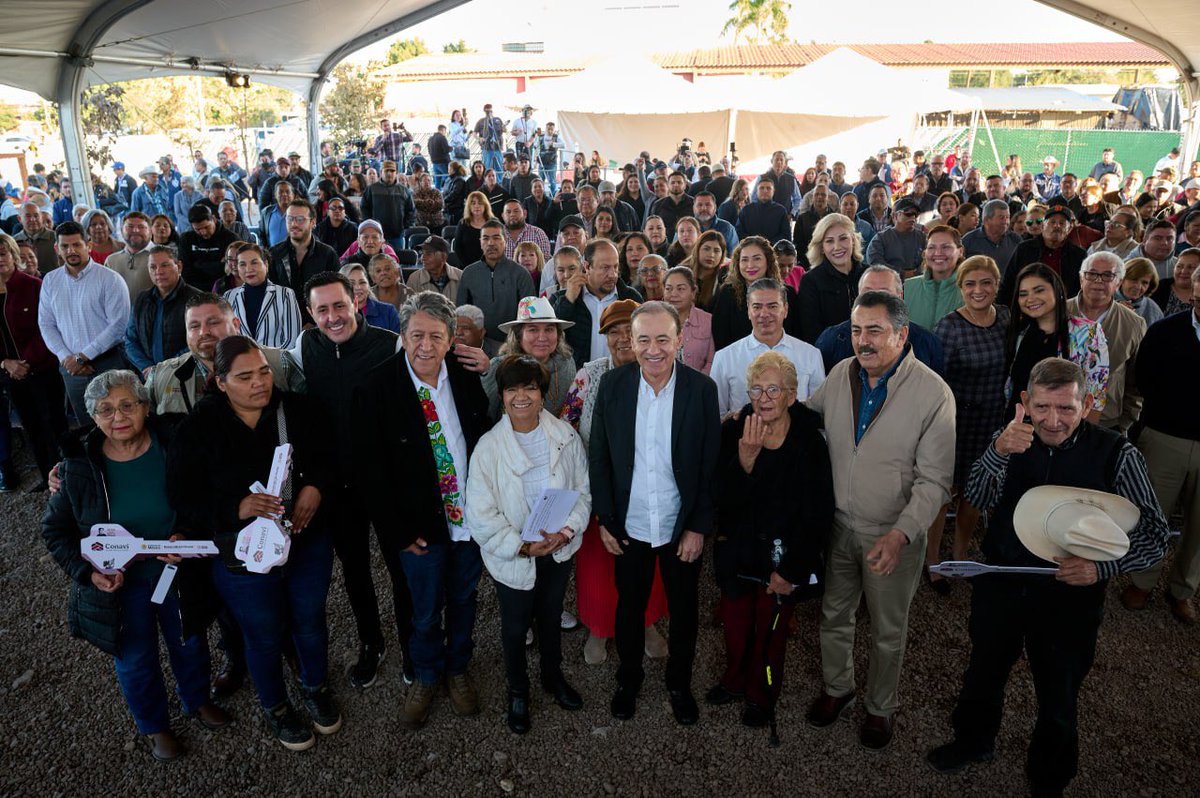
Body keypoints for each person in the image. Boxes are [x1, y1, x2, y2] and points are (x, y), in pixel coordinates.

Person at [926, 358, 1168, 795]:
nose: (1053, 422)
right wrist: (999, 452)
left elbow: (1155, 533)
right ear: (1025, 403)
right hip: (1001, 579)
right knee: (983, 672)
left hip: (1069, 596)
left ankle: (1050, 774)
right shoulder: (1009, 439)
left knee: (1059, 690)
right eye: (1042, 408)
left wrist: (1102, 567)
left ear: (1088, 404)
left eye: (1067, 409)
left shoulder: (1118, 453)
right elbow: (975, 498)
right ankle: (973, 741)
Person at [42, 370, 229, 761]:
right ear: (93, 418)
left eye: (128, 404)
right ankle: (155, 725)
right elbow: (55, 532)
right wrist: (88, 572)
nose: (118, 416)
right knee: (135, 656)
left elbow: (203, 496)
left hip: (175, 572)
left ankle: (196, 699)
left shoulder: (173, 443)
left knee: (190, 640)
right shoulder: (78, 468)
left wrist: (186, 532)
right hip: (121, 584)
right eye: (105, 410)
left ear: (145, 407)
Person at [168, 336, 339, 751]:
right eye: (244, 377)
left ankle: (314, 686)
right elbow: (182, 496)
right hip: (244, 556)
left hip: (304, 540)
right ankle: (276, 705)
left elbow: (331, 457)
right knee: (262, 633)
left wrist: (315, 487)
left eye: (263, 371)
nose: (260, 383)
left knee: (310, 621)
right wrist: (237, 507)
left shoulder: (297, 410)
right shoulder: (198, 427)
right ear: (221, 382)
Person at [803, 291, 955, 750]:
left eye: (874, 330)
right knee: (834, 614)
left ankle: (880, 707)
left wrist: (902, 534)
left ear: (902, 334)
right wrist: (755, 417)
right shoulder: (840, 374)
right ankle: (838, 688)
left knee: (888, 629)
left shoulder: (933, 393)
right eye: (856, 330)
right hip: (839, 525)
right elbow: (807, 422)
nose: (862, 341)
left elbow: (935, 481)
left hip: (891, 534)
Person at [355, 291, 491, 729]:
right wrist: (395, 532)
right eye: (416, 335)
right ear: (403, 336)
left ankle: (457, 669)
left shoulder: (465, 378)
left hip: (468, 522)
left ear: (451, 340)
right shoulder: (377, 387)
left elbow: (482, 440)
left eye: (436, 336)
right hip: (418, 529)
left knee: (464, 599)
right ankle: (427, 674)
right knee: (425, 608)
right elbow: (370, 472)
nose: (425, 346)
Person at [590, 301, 720, 725]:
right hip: (631, 525)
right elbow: (600, 459)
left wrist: (699, 527)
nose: (652, 349)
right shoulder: (612, 386)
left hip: (680, 526)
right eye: (643, 339)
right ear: (632, 340)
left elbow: (708, 466)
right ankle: (629, 679)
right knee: (630, 608)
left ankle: (678, 683)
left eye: (663, 339)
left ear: (679, 340)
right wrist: (606, 520)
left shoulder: (701, 390)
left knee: (684, 612)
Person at [281, 271, 413, 687]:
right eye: (322, 310)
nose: (333, 317)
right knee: (355, 570)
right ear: (310, 313)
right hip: (335, 486)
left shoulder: (389, 345)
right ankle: (372, 643)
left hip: (385, 482)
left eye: (339, 305)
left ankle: (412, 644)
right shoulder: (303, 347)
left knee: (401, 567)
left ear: (357, 300)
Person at [465, 355, 591, 734]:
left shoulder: (565, 437)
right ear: (502, 395)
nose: (522, 396)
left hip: (556, 549)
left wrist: (566, 532)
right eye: (512, 388)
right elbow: (480, 513)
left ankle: (552, 678)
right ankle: (518, 690)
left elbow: (583, 491)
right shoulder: (488, 448)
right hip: (515, 556)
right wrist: (520, 547)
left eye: (530, 387)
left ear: (541, 392)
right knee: (516, 627)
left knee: (550, 619)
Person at [710, 351, 834, 726]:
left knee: (770, 634)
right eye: (756, 389)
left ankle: (761, 696)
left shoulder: (809, 442)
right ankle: (734, 680)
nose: (764, 398)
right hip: (738, 556)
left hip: (782, 560)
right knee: (735, 627)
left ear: (792, 395)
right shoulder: (735, 431)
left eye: (773, 390)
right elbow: (720, 500)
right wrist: (745, 460)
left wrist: (793, 569)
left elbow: (818, 513)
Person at [1120, 272, 1200, 623]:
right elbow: (1144, 379)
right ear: (1193, 292)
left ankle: (1183, 590)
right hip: (1165, 437)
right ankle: (1142, 581)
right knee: (1152, 514)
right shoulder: (1165, 330)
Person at [927, 256, 1010, 586]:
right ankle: (933, 559)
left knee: (976, 493)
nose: (979, 290)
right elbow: (935, 380)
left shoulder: (1005, 318)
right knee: (942, 492)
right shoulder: (949, 326)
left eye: (986, 283)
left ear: (996, 285)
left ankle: (960, 554)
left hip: (991, 422)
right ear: (960, 288)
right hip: (955, 422)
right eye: (970, 284)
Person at [38, 221, 131, 422]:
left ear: (88, 245)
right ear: (57, 249)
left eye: (77, 245)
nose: (71, 250)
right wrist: (68, 358)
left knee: (118, 421)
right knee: (86, 426)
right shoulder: (50, 281)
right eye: (65, 246)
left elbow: (118, 326)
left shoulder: (110, 279)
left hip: (107, 362)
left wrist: (83, 356)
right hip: (70, 367)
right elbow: (46, 324)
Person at [0, 233, 67, 490]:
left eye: (3, 253)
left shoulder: (33, 285)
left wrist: (24, 361)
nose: (0, 260)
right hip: (10, 374)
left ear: (13, 255)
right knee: (32, 428)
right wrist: (6, 364)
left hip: (43, 368)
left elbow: (49, 327)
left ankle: (69, 476)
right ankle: (46, 477)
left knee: (56, 425)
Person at [1004, 263, 1108, 425]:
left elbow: (1096, 395)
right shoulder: (1019, 333)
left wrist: (1083, 443)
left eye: (1039, 290)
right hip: (1017, 428)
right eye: (1023, 294)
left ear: (1057, 290)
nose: (1030, 299)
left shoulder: (1087, 332)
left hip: (1062, 429)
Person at [710, 278, 824, 416]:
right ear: (748, 311)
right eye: (757, 307)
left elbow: (818, 412)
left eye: (772, 306)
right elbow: (716, 415)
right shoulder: (725, 358)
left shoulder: (810, 355)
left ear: (785, 310)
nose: (764, 314)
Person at [1064, 251, 1145, 434]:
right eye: (1091, 274)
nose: (1098, 280)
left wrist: (1124, 422)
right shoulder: (1059, 313)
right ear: (1081, 278)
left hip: (1107, 422)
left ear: (1119, 282)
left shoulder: (1134, 324)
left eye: (1108, 275)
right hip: (1058, 417)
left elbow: (1136, 381)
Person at [124, 245, 204, 376]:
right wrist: (146, 367)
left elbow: (199, 341)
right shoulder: (141, 299)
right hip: (146, 376)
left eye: (165, 265)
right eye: (153, 267)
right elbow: (130, 340)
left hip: (185, 375)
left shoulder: (196, 299)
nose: (158, 271)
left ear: (179, 266)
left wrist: (164, 369)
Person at [711, 237, 802, 350]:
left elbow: (796, 334)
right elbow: (720, 335)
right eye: (744, 260)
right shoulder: (727, 293)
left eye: (757, 259)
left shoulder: (788, 294)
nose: (750, 265)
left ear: (768, 261)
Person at [457, 219, 535, 348]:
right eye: (486, 238)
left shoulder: (520, 273)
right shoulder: (469, 273)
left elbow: (529, 315)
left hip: (513, 344)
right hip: (478, 344)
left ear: (505, 241)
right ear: (480, 243)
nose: (491, 243)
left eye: (496, 238)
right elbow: (461, 314)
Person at [796, 213, 866, 344]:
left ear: (853, 239)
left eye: (843, 238)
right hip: (830, 357)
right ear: (821, 247)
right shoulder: (810, 281)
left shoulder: (869, 274)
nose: (837, 247)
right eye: (829, 241)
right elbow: (811, 333)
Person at [999, 204, 1086, 303]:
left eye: (1062, 223)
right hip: (1028, 306)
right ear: (1043, 225)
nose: (1056, 226)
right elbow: (1008, 284)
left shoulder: (1078, 255)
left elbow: (1081, 290)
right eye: (1052, 222)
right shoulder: (1024, 249)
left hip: (1063, 309)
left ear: (1069, 229)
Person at [225, 243, 302, 349]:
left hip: (276, 363)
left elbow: (292, 340)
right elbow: (228, 336)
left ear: (266, 264)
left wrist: (268, 362)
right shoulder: (229, 296)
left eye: (254, 263)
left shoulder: (285, 294)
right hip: (240, 363)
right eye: (242, 264)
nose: (248, 269)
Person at [903, 225, 964, 329]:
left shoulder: (971, 290)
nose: (938, 253)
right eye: (931, 247)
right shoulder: (907, 287)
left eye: (946, 247)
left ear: (960, 252)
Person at [663, 266, 714, 374]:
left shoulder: (708, 321)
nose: (673, 294)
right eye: (668, 289)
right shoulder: (654, 321)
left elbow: (711, 361)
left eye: (681, 289)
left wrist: (698, 384)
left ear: (693, 292)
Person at [178, 204, 238, 291]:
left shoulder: (230, 238)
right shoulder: (186, 239)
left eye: (206, 227)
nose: (203, 232)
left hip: (223, 288)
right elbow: (185, 269)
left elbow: (231, 269)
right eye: (197, 229)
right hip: (193, 288)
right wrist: (217, 265)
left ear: (213, 219)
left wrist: (197, 264)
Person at [362, 160, 416, 251]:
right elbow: (364, 208)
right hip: (377, 235)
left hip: (397, 235)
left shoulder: (404, 190)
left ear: (396, 173)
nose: (389, 173)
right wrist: (370, 225)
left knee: (396, 261)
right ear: (381, 172)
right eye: (386, 170)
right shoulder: (371, 189)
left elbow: (411, 210)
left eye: (392, 171)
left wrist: (405, 226)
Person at [865, 198, 926, 278]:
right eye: (908, 214)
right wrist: (901, 273)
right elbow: (875, 262)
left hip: (917, 282)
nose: (913, 218)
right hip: (889, 282)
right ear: (895, 216)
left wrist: (917, 273)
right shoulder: (881, 238)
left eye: (915, 214)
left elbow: (929, 259)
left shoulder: (922, 237)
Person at [962, 199, 1022, 272]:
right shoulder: (968, 241)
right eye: (1001, 217)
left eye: (1007, 217)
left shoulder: (1015, 239)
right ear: (986, 220)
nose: (1006, 222)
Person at [735, 180, 791, 244]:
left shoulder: (781, 211)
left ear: (773, 191)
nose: (765, 191)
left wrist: (768, 243)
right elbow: (738, 232)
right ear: (757, 191)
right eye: (761, 188)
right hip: (750, 249)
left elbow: (786, 235)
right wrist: (754, 242)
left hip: (773, 251)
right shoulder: (746, 210)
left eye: (768, 188)